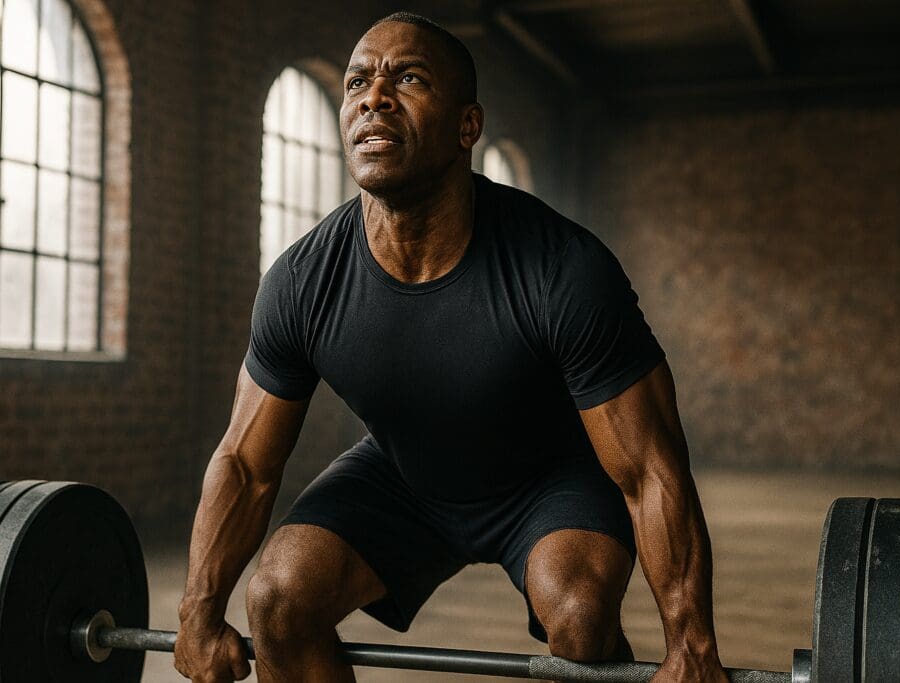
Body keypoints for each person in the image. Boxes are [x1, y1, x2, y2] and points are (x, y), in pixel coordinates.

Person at [173, 11, 728, 683]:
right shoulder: (302, 281)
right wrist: (198, 614)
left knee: (578, 614)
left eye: (406, 78)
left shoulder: (563, 269)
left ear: (468, 125)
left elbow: (651, 469)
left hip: (549, 476)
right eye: (357, 83)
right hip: (406, 473)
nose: (373, 97)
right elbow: (244, 463)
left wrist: (691, 644)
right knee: (279, 599)